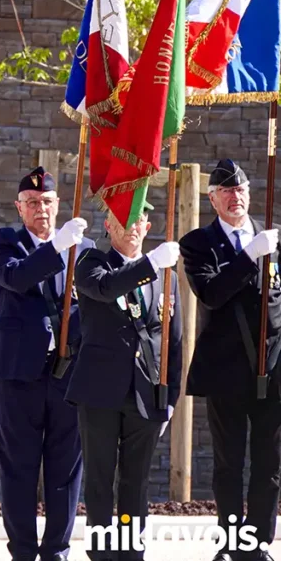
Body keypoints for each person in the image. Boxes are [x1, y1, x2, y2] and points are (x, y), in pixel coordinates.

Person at [0, 166, 90, 561]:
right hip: (18, 373)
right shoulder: (4, 242)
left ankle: (56, 550)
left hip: (68, 372)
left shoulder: (83, 247)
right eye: (31, 202)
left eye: (46, 201)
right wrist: (57, 246)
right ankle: (23, 551)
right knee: (19, 468)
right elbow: (17, 278)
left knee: (66, 470)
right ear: (19, 207)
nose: (40, 208)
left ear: (57, 204)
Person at [181, 159, 281, 561]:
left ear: (249, 193)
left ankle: (258, 545)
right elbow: (211, 294)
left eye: (240, 190)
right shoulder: (198, 244)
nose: (235, 197)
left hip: (271, 368)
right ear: (212, 199)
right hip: (226, 370)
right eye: (226, 191)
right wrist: (249, 256)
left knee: (269, 464)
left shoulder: (273, 237)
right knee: (229, 463)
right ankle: (231, 542)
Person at [69, 203, 181, 560]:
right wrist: (151, 263)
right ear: (108, 224)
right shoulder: (92, 262)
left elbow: (173, 340)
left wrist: (171, 397)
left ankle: (132, 552)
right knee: (99, 481)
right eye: (123, 219)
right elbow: (106, 288)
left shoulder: (166, 275)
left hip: (145, 392)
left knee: (136, 482)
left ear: (147, 227)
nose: (131, 226)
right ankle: (102, 553)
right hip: (99, 391)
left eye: (138, 220)